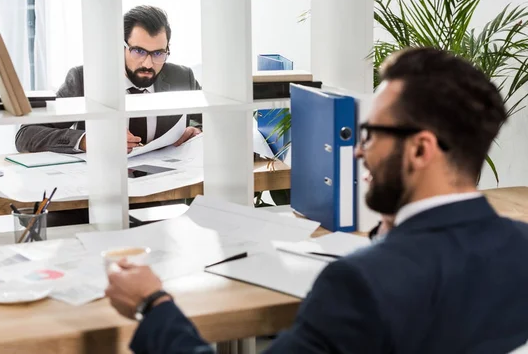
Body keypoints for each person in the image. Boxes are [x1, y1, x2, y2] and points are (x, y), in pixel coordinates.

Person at [105, 47, 528, 353]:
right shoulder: (519, 248)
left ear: (420, 150)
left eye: (371, 134)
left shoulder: (360, 283)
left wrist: (153, 304)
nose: (359, 151)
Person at [15, 5, 202, 154]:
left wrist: (198, 131)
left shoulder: (182, 77)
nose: (148, 63)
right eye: (139, 51)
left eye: (159, 53)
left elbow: (219, 122)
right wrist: (89, 140)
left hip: (164, 190)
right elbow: (26, 134)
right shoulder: (84, 79)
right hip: (99, 188)